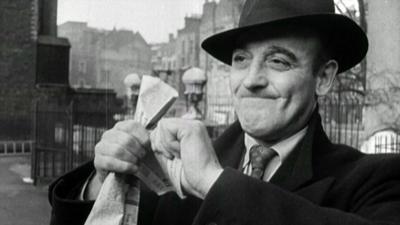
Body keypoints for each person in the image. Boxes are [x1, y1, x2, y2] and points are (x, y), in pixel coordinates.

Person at [49, 0, 400, 224]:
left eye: (278, 61)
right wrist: (101, 182)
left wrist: (213, 183)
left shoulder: (371, 181)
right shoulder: (175, 165)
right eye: (240, 59)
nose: (251, 80)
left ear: (323, 78)